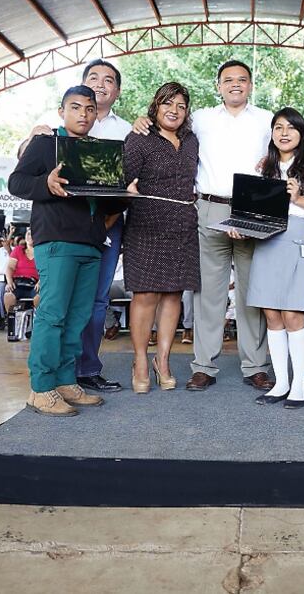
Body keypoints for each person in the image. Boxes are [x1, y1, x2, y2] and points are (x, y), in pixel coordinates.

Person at [133, 60, 276, 391]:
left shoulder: (267, 120)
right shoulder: (201, 119)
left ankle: (255, 365)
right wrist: (141, 120)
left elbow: (292, 141)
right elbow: (165, 125)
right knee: (207, 294)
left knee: (250, 293)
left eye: (242, 79)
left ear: (251, 85)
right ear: (219, 86)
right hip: (208, 207)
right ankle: (204, 366)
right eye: (228, 80)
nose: (235, 84)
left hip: (251, 209)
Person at [7, 84, 107, 416]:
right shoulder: (45, 144)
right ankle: (42, 388)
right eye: (76, 107)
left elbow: (102, 197)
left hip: (91, 243)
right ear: (62, 111)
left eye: (90, 109)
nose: (84, 114)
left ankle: (65, 381)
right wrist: (45, 184)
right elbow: (16, 182)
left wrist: (124, 192)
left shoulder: (98, 150)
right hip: (57, 241)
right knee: (52, 315)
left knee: (78, 317)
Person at [241, 107, 304, 409]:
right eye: (278, 127)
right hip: (267, 240)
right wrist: (240, 225)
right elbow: (252, 207)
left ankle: (298, 385)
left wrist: (298, 199)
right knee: (272, 315)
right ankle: (280, 383)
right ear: (271, 133)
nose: (284, 133)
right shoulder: (263, 168)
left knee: (294, 315)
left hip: (299, 238)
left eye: (291, 128)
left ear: (302, 133)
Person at [121, 82, 200, 393]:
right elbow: (122, 180)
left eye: (181, 106)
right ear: (156, 106)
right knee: (145, 295)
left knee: (173, 295)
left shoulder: (192, 140)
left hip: (183, 223)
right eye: (168, 104)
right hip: (146, 222)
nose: (174, 111)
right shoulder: (139, 138)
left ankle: (162, 360)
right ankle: (140, 360)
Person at [4, 229, 40, 313]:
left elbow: (47, 269)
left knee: (40, 297)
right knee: (8, 296)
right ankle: (12, 322)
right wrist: (9, 281)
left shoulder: (42, 252)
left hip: (35, 284)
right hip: (19, 283)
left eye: (32, 234)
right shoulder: (18, 250)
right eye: (28, 234)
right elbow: (10, 267)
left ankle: (39, 321)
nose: (29, 236)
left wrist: (40, 282)